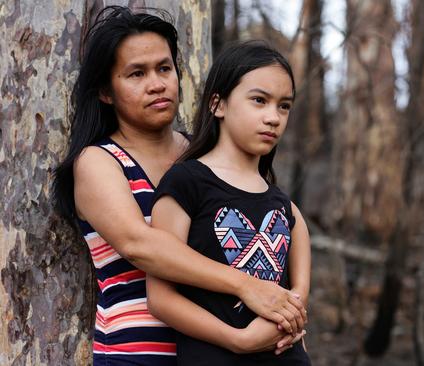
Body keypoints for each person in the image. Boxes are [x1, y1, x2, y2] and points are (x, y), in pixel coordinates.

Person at [53, 7, 306, 365]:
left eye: (164, 68)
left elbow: (281, 215)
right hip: (138, 356)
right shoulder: (99, 161)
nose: (157, 83)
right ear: (106, 92)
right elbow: (140, 245)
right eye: (136, 74)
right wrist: (248, 288)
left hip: (218, 354)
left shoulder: (206, 159)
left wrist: (290, 308)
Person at [146, 41, 312, 365]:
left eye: (284, 106)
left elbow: (296, 300)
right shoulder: (186, 184)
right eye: (259, 100)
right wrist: (237, 340)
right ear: (218, 104)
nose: (273, 117)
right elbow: (161, 300)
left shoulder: (284, 205)